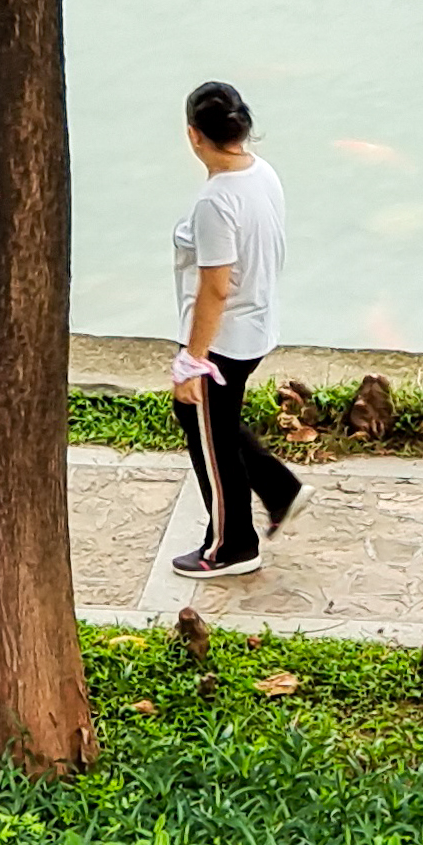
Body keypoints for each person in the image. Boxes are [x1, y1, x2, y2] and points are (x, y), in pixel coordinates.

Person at [167, 79, 301, 579]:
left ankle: (231, 545)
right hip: (257, 327)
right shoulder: (262, 174)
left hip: (223, 341)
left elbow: (215, 289)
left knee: (209, 439)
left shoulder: (214, 203)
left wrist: (191, 360)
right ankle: (279, 488)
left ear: (193, 135)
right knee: (216, 426)